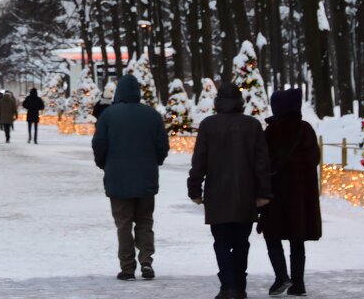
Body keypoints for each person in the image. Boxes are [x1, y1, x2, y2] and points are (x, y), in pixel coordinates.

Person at [188, 81, 273, 299]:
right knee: (242, 242)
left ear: (218, 102)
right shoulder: (252, 125)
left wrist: (195, 189)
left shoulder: (208, 125)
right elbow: (262, 162)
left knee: (221, 242)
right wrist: (264, 192)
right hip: (246, 193)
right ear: (240, 102)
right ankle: (240, 286)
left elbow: (199, 160)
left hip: (217, 194)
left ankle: (227, 286)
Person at [91, 73, 169, 281]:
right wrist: (154, 162)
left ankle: (127, 266)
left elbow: (99, 144)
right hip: (146, 177)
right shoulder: (152, 115)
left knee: (123, 223)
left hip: (117, 177)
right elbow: (162, 145)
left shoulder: (108, 115)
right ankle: (146, 261)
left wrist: (105, 164)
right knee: (145, 221)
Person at [258, 88, 320, 297]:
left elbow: (263, 163)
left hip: (275, 196)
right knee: (297, 239)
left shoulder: (271, 132)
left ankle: (281, 276)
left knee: (271, 236)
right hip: (301, 197)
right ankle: (298, 284)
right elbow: (314, 158)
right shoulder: (306, 129)